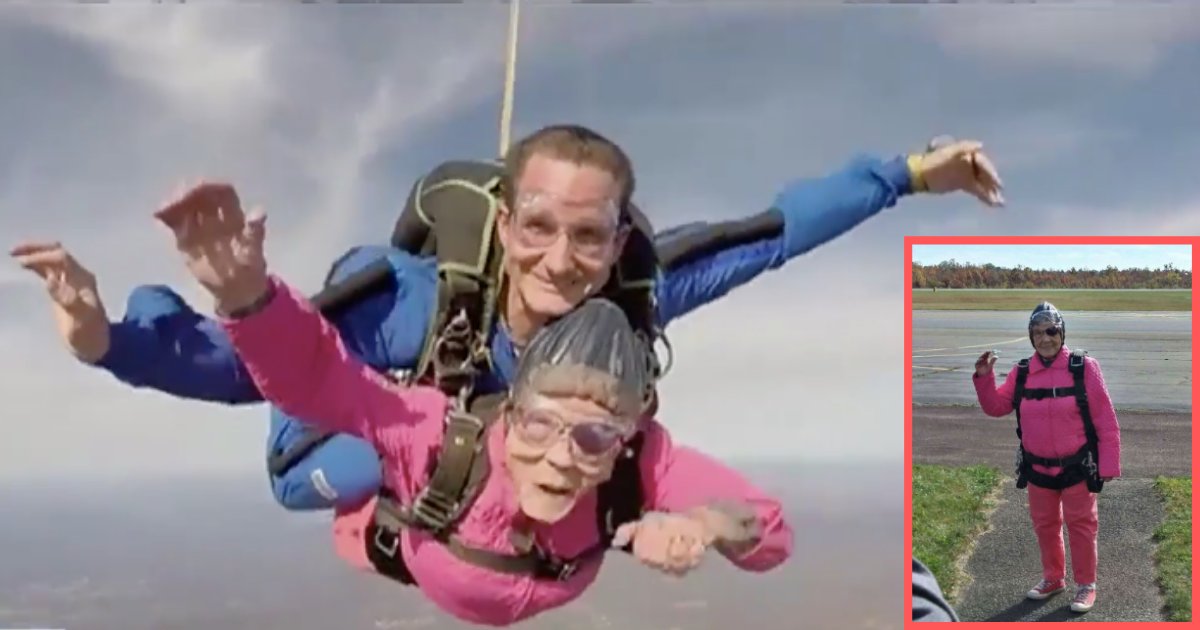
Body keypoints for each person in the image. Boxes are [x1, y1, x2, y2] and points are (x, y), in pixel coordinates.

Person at [10, 125, 1005, 514]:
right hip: (334, 425)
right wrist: (106, 339)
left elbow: (775, 229)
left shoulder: (633, 293)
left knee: (527, 450)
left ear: (619, 242)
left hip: (458, 410)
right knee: (391, 462)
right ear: (508, 225)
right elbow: (248, 371)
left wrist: (911, 174)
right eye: (538, 229)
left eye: (588, 238)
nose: (560, 263)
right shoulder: (416, 302)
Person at [169, 181, 792, 625]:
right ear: (510, 411)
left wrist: (706, 526)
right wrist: (248, 299)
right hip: (382, 534)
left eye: (595, 437)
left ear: (625, 438)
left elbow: (769, 529)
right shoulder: (438, 433)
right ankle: (351, 286)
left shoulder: (643, 463)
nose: (560, 458)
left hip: (481, 563)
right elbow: (316, 378)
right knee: (300, 469)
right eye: (542, 424)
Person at [972, 302, 1121, 614]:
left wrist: (1108, 465)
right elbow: (997, 406)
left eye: (1051, 331)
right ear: (1031, 337)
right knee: (1045, 525)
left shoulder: (1084, 368)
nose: (1045, 338)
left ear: (1062, 332)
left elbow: (1105, 420)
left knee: (1082, 525)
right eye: (1038, 333)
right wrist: (984, 378)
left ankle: (1086, 585)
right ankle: (1053, 578)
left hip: (1077, 467)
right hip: (1037, 468)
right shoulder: (1022, 373)